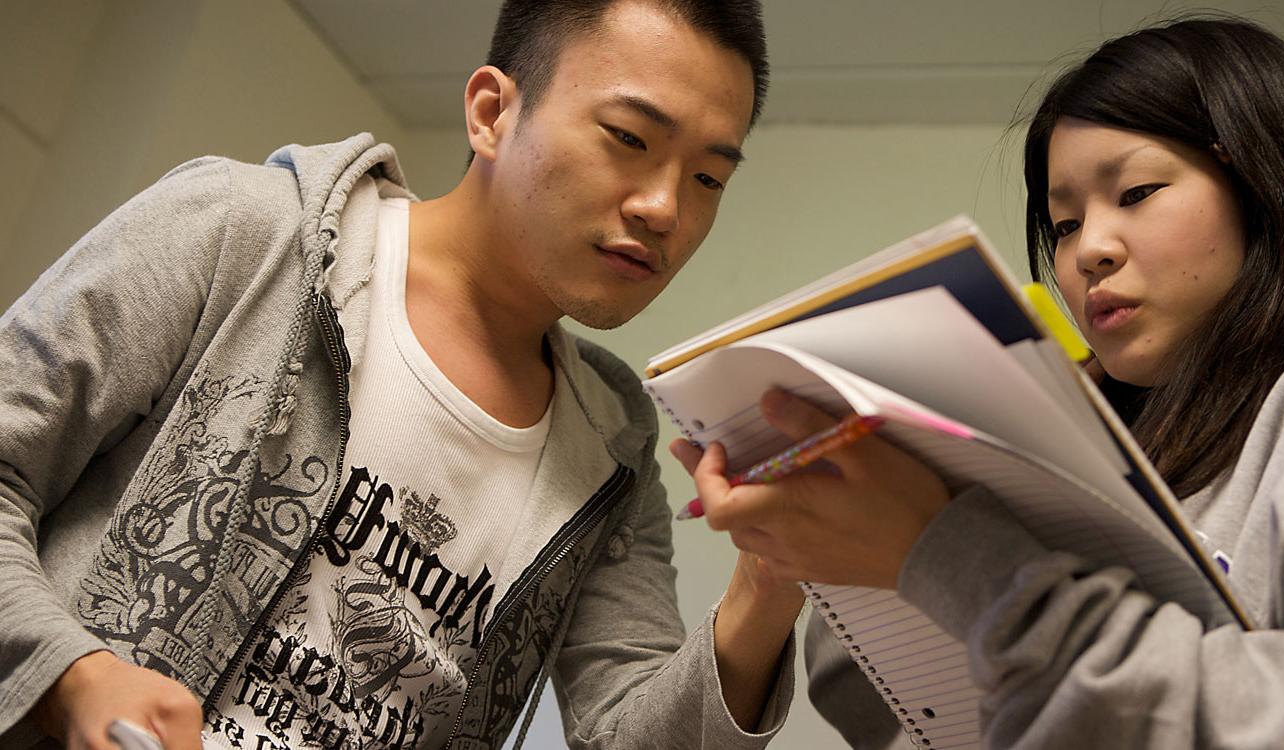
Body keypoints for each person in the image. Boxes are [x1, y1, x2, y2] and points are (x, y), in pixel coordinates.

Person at [673, 16, 1284, 749]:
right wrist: (863, 546)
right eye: (1063, 223)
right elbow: (892, 720)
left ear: (1267, 186)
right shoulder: (1100, 451)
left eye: (1135, 193)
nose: (1088, 250)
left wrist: (951, 549)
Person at [0, 0, 809, 748]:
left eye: (708, 178)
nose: (664, 208)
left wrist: (769, 584)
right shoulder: (242, 238)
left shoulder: (613, 453)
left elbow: (630, 735)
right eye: (629, 138)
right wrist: (75, 676)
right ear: (493, 112)